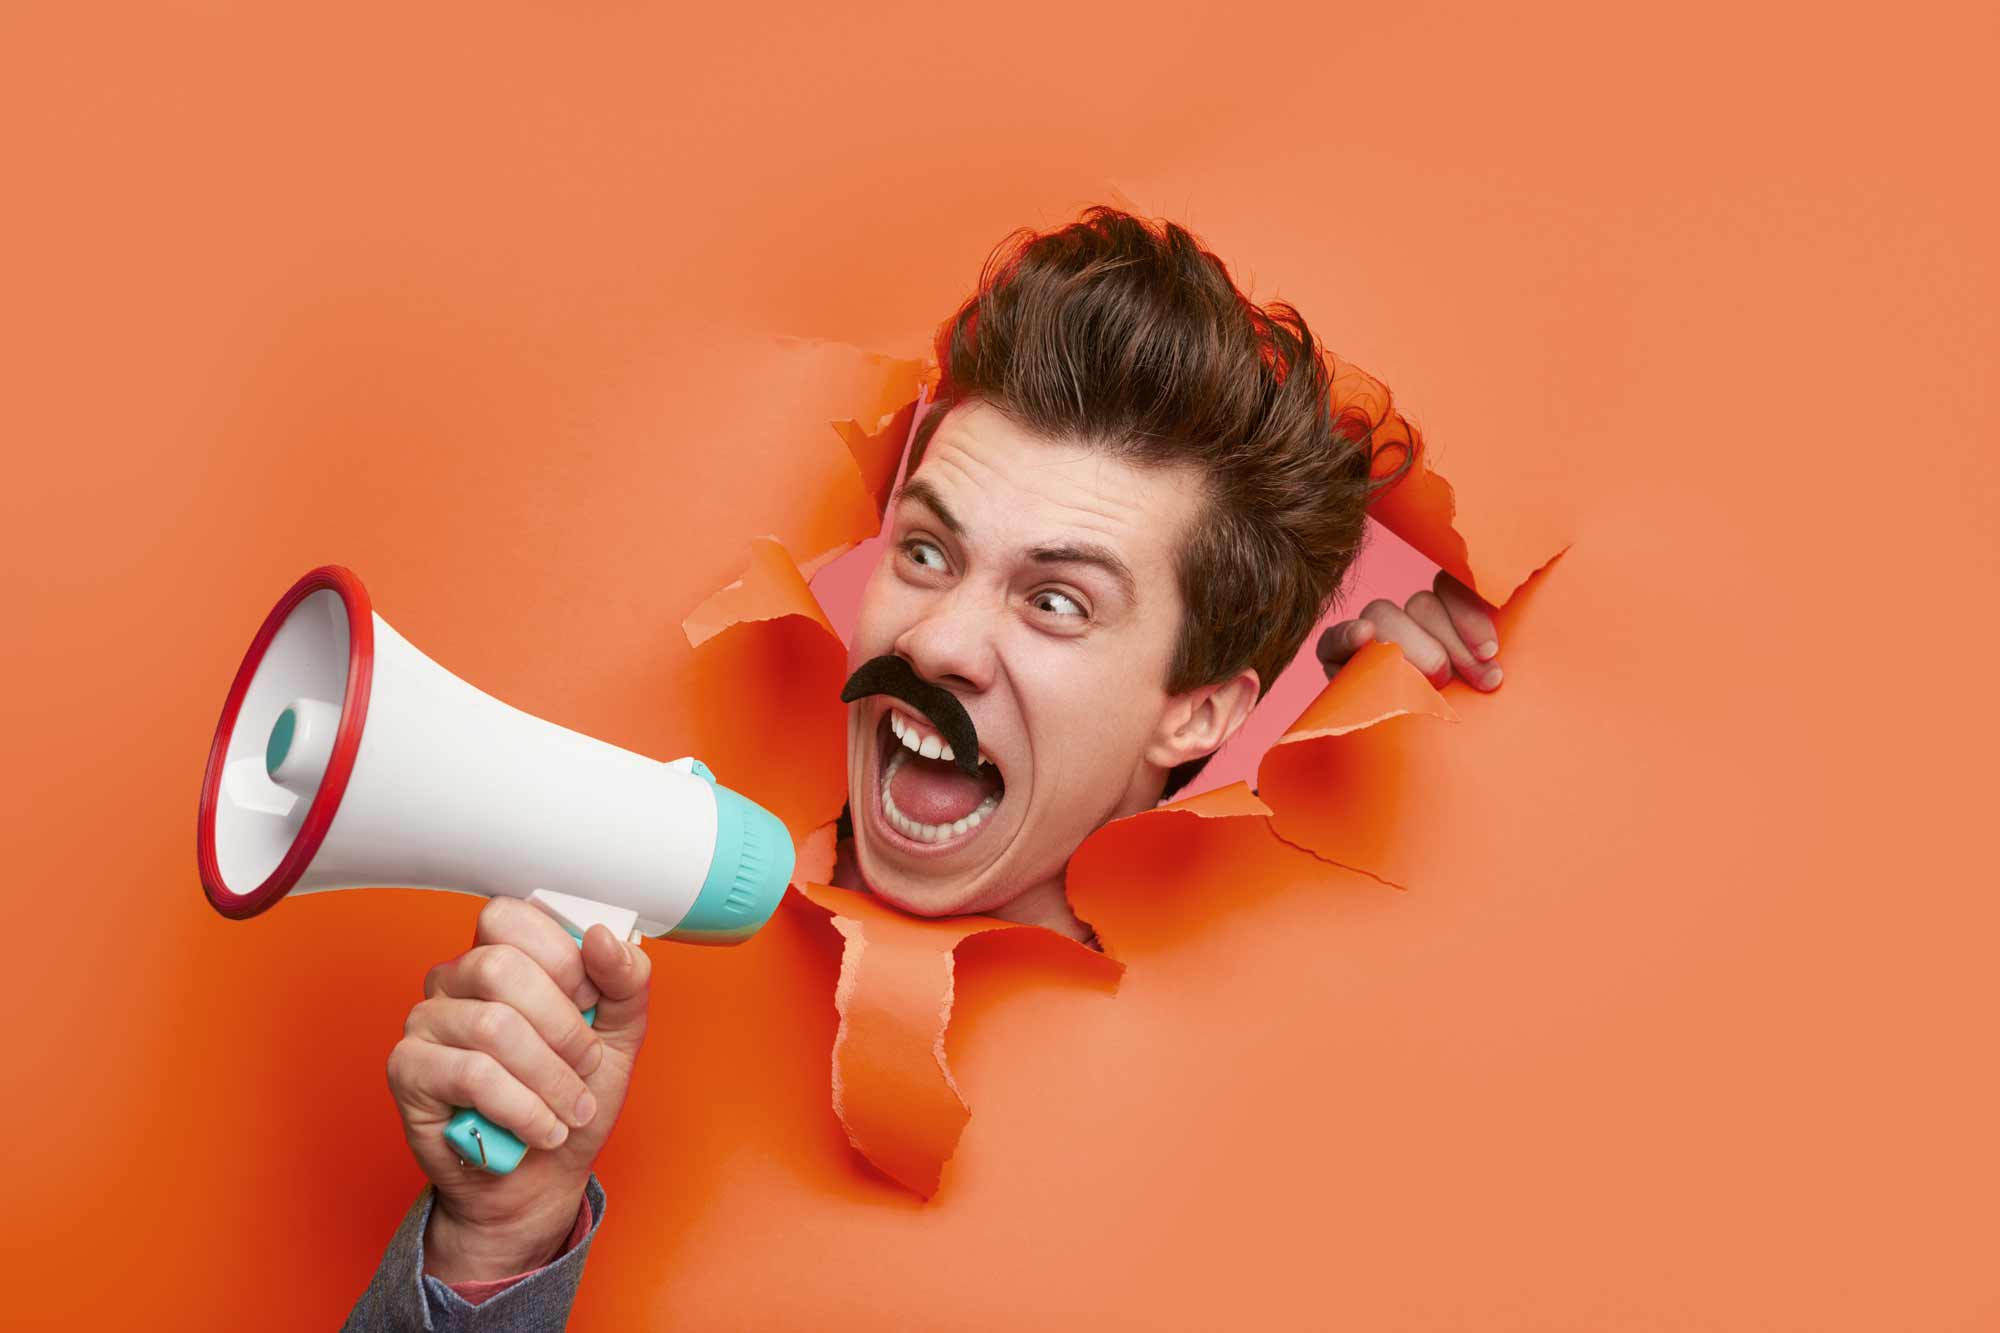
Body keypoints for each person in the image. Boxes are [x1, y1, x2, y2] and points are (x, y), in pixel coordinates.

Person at [341, 207, 1507, 1330]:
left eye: (1055, 601)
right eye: (926, 550)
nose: (934, 641)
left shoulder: (1294, 1120)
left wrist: (1359, 708)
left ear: (1199, 711)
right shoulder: (621, 996)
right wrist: (489, 1251)